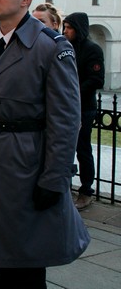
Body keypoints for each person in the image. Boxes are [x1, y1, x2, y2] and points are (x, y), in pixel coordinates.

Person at [0, 0, 90, 289]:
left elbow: (66, 121)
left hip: (25, 165)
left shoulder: (51, 47)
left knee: (25, 262)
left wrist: (55, 178)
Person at [63, 12, 105, 210]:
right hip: (64, 106)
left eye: (69, 27)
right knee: (63, 148)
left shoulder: (92, 49)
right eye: (64, 27)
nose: (65, 31)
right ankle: (65, 187)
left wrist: (72, 91)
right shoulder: (65, 46)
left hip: (83, 107)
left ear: (78, 29)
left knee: (82, 148)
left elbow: (96, 79)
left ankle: (86, 191)